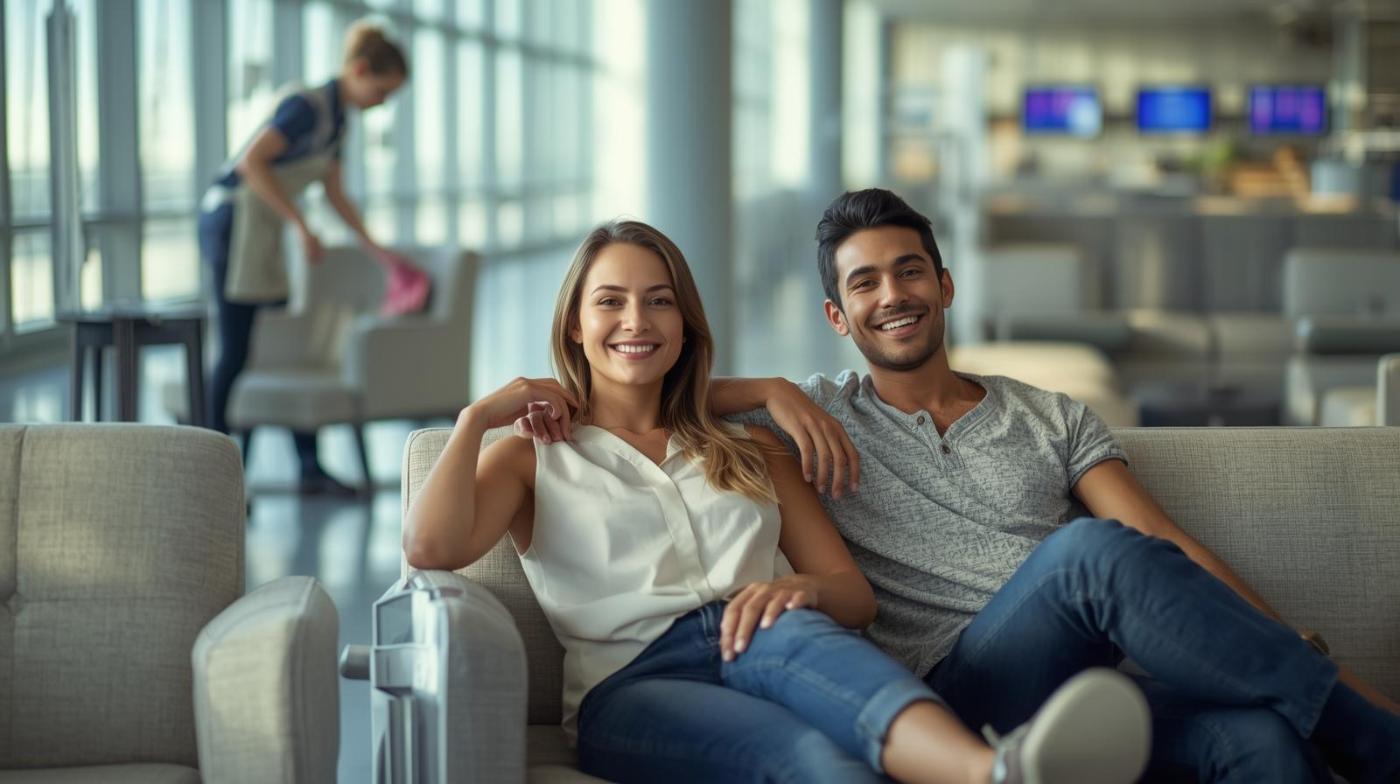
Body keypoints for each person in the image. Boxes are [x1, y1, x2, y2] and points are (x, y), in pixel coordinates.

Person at [404, 220, 1153, 784]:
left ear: (685, 325)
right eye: (612, 302)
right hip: (634, 684)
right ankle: (994, 773)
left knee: (809, 655)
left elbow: (853, 598)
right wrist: (475, 419)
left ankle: (990, 771)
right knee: (809, 756)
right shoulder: (533, 457)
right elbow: (430, 550)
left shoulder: (748, 446)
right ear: (576, 323)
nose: (637, 321)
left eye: (659, 302)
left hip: (767, 637)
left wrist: (798, 587)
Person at [694, 189, 1399, 783]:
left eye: (909, 272)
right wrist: (769, 387)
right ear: (837, 317)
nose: (892, 296)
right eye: (864, 283)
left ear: (944, 286)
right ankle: (1376, 738)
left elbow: (1162, 544)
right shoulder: (816, 415)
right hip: (953, 699)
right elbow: (629, 386)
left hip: (1086, 694)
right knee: (1090, 552)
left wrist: (1282, 637)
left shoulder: (1051, 416)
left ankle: (1353, 733)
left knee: (1262, 744)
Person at [197, 21, 416, 494]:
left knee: (283, 342)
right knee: (235, 347)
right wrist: (299, 224)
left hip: (263, 230)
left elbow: (337, 196)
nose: (382, 103)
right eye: (381, 91)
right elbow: (251, 163)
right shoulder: (306, 106)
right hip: (233, 224)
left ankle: (308, 467)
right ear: (359, 70)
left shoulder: (338, 123)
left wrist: (380, 252)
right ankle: (212, 475)